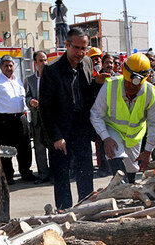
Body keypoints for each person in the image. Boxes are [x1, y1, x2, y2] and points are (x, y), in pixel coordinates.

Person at [39, 27, 102, 210]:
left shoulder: (88, 63)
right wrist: (56, 136)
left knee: (85, 173)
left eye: (84, 48)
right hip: (61, 131)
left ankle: (86, 210)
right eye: (77, 48)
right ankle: (63, 212)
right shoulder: (51, 70)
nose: (81, 53)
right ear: (66, 45)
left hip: (81, 128)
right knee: (62, 176)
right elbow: (45, 108)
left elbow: (87, 91)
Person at [90, 53, 155, 183]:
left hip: (135, 135)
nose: (130, 87)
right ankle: (120, 187)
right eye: (127, 82)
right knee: (116, 155)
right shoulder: (110, 86)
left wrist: (148, 151)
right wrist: (105, 137)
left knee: (132, 168)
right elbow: (96, 114)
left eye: (135, 85)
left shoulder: (150, 92)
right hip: (113, 130)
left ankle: (130, 190)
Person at [0, 55, 36, 184]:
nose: (9, 68)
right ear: (1, 67)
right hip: (2, 120)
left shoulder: (18, 81)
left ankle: (26, 172)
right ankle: (8, 176)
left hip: (20, 117)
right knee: (5, 149)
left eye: (11, 65)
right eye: (6, 65)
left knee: (24, 147)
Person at [24, 50, 51, 184]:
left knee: (53, 147)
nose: (44, 63)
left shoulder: (52, 76)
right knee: (39, 148)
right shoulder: (30, 80)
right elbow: (27, 96)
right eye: (41, 60)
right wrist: (30, 102)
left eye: (45, 60)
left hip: (51, 119)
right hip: (37, 118)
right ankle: (43, 175)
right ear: (35, 63)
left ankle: (54, 174)